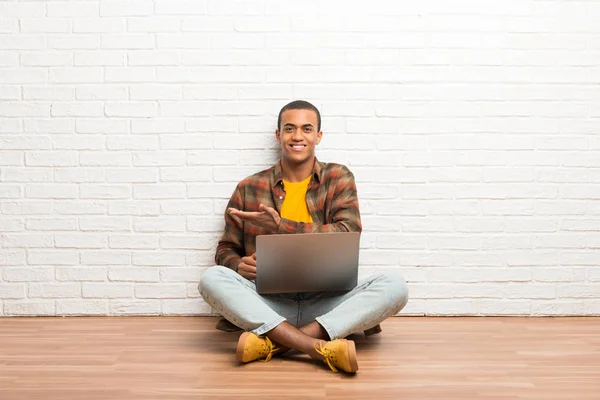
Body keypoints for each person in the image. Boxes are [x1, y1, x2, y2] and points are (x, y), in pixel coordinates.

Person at [199, 100, 408, 373]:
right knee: (211, 278)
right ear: (278, 135)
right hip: (269, 302)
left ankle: (275, 343)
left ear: (318, 136)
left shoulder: (338, 177)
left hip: (326, 303)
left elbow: (348, 230)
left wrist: (281, 225)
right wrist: (237, 264)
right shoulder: (249, 187)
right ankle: (317, 347)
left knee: (395, 284)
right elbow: (225, 248)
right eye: (289, 129)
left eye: (307, 129)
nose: (298, 136)